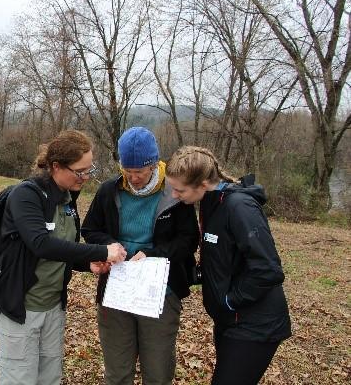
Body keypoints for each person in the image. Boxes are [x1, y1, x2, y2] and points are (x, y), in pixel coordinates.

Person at [0, 129, 127, 385]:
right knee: (20, 379)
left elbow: (64, 247)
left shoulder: (67, 199)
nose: (85, 177)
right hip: (21, 309)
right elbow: (41, 244)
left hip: (52, 308)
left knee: (50, 379)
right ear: (56, 166)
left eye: (88, 170)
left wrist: (87, 263)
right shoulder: (26, 195)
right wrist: (102, 251)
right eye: (80, 171)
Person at [81, 127, 199, 385]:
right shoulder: (109, 191)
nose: (133, 178)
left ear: (154, 164)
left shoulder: (174, 193)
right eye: (128, 171)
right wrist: (110, 246)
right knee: (117, 372)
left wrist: (153, 254)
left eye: (140, 172)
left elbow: (189, 240)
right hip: (117, 289)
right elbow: (90, 229)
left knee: (157, 372)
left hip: (160, 292)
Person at [165, 145, 292, 385]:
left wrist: (229, 301)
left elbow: (268, 270)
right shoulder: (211, 203)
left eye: (179, 190)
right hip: (229, 321)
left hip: (255, 324)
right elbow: (224, 257)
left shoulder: (239, 207)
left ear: (202, 184)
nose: (174, 195)